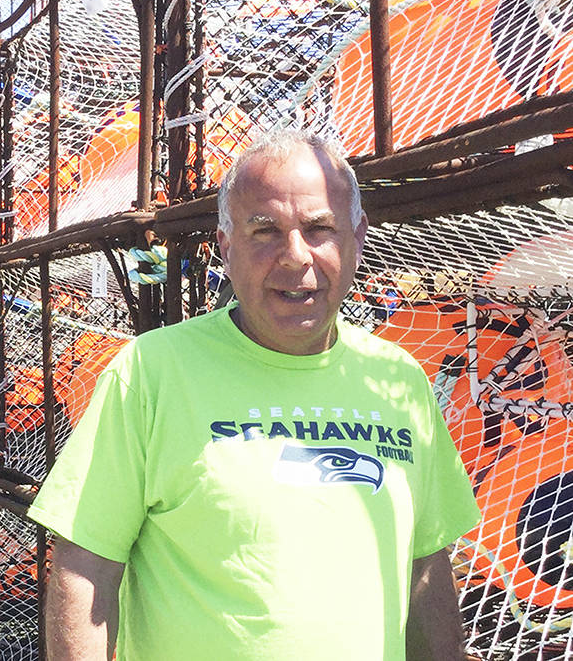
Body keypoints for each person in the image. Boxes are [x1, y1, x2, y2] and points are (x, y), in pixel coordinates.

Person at [27, 128, 480, 660]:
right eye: (264, 230)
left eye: (319, 229)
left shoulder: (400, 380)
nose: (296, 257)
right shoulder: (150, 373)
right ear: (225, 245)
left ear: (357, 237)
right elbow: (85, 571)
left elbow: (426, 568)